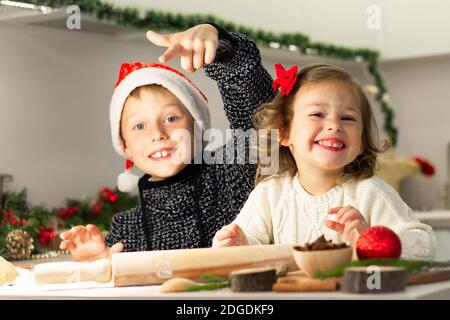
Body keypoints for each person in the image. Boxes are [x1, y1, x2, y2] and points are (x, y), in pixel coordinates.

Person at [59, 23, 275, 261]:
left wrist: (221, 46)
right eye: (139, 126)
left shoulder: (231, 176)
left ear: (199, 129)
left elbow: (261, 119)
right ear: (126, 146)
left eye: (170, 118)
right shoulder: (126, 230)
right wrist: (102, 268)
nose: (158, 133)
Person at [213, 63, 436, 260]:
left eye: (347, 118)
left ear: (362, 141)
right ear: (284, 132)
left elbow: (423, 245)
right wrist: (236, 245)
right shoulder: (270, 194)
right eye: (317, 114)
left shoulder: (369, 193)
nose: (334, 125)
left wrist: (372, 240)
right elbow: (247, 242)